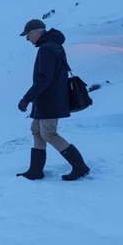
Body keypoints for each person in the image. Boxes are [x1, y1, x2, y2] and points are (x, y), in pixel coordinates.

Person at [16, 19, 90, 181]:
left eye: (27, 35)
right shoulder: (54, 45)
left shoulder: (46, 49)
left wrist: (26, 98)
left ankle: (80, 167)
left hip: (50, 100)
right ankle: (35, 170)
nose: (27, 39)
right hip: (49, 99)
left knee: (49, 133)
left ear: (35, 32)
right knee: (36, 130)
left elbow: (44, 79)